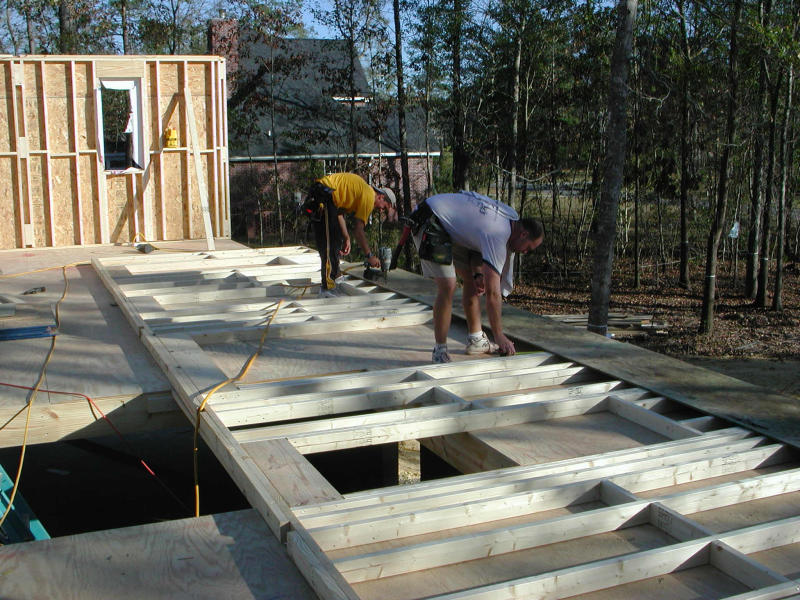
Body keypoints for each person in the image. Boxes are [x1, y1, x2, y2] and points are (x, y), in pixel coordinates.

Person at [410, 190, 544, 363]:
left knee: (473, 282)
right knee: (448, 285)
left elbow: (475, 243)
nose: (525, 252)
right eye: (528, 248)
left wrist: (478, 272)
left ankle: (476, 339)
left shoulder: (509, 219)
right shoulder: (498, 233)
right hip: (430, 220)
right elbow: (493, 294)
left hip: (450, 226)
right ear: (523, 234)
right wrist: (499, 335)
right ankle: (440, 350)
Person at [304, 173, 397, 296]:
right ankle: (328, 288)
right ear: (380, 197)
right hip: (324, 195)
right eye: (383, 207)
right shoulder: (369, 196)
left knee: (334, 242)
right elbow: (359, 230)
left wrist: (346, 237)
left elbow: (338, 213)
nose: (380, 211)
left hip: (325, 194)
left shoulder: (362, 191)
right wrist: (369, 255)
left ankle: (334, 279)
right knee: (330, 245)